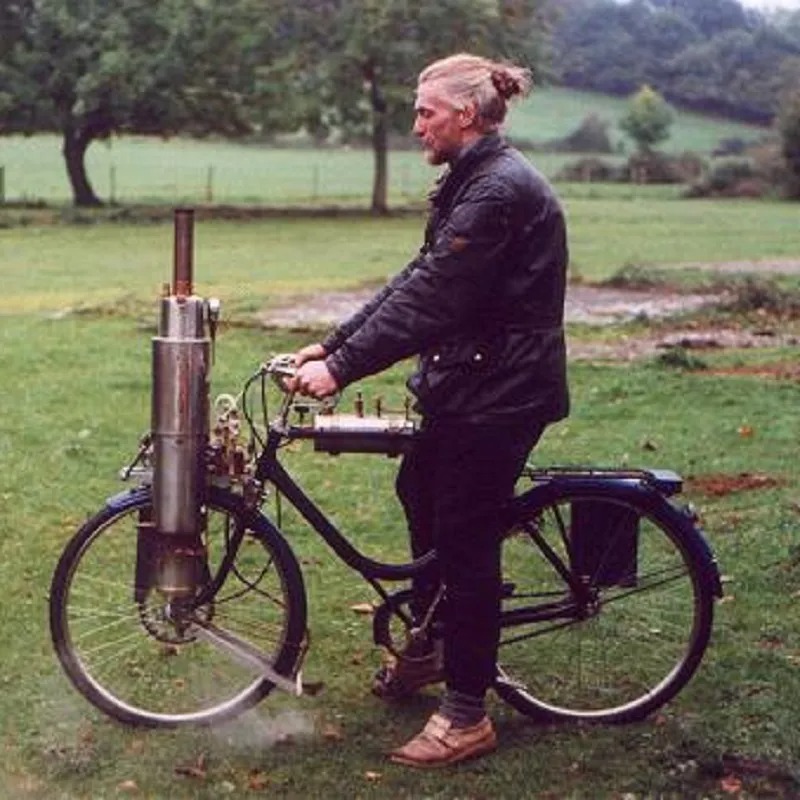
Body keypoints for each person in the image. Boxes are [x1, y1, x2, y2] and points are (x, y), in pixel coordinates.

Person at [287, 52, 569, 768]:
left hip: (502, 391)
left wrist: (344, 368)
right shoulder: (471, 182)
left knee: (465, 538)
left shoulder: (498, 191)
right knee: (418, 489)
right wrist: (333, 341)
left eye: (426, 112)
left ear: (465, 115)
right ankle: (435, 641)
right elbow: (419, 277)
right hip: (471, 382)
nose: (416, 126)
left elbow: (436, 297)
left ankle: (468, 714)